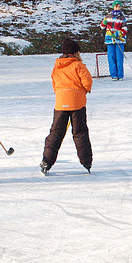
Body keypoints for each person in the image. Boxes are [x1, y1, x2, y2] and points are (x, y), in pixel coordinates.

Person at [40, 38, 93, 176]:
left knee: (56, 133)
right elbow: (87, 82)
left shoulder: (57, 66)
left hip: (61, 103)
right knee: (80, 132)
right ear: (76, 53)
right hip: (77, 103)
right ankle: (86, 161)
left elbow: (55, 84)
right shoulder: (78, 65)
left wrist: (62, 95)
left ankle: (46, 162)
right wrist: (84, 90)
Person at [100, 0, 127, 81]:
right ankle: (113, 74)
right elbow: (102, 27)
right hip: (109, 40)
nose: (118, 8)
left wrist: (117, 34)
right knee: (111, 57)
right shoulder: (108, 17)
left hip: (119, 40)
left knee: (119, 58)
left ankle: (120, 75)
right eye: (116, 6)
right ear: (113, 7)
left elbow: (125, 29)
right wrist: (103, 23)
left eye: (119, 6)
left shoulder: (122, 18)